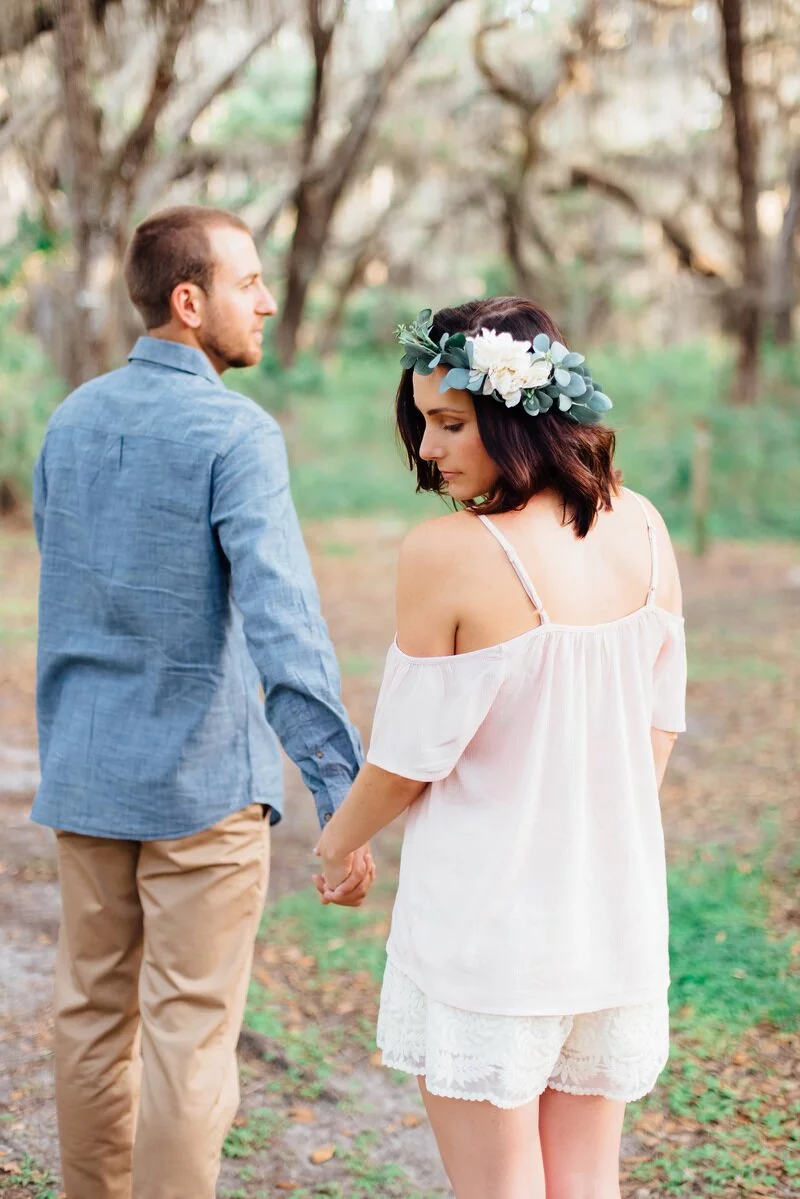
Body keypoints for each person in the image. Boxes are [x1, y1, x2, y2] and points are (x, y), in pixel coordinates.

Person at [32, 205, 373, 1199]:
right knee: (187, 1028)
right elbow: (283, 623)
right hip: (201, 788)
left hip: (88, 770)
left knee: (91, 1013)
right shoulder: (236, 431)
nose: (265, 301)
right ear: (190, 301)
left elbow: (75, 576)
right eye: (247, 282)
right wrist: (338, 790)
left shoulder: (71, 417)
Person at [315, 297, 687, 1199]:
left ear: (524, 415)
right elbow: (659, 723)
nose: (430, 449)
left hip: (487, 928)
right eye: (423, 425)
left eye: (450, 422)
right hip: (611, 918)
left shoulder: (448, 550)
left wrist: (336, 841)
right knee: (585, 1184)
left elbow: (407, 758)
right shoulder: (640, 523)